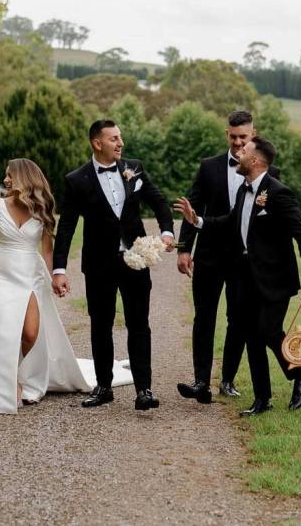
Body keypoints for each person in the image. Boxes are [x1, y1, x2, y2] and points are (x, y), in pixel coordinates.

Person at [0, 159, 133, 413]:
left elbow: (47, 250)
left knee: (30, 333)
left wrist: (55, 276)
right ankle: (7, 382)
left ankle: (16, 369)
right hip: (0, 274)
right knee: (1, 330)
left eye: (9, 176)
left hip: (30, 275)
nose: (5, 180)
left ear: (23, 178)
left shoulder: (43, 208)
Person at [176, 136, 301, 416]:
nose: (238, 153)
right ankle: (262, 399)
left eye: (244, 151)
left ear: (254, 160)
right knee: (253, 337)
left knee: (267, 330)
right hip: (248, 277)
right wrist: (198, 221)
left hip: (276, 279)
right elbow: (230, 222)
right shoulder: (245, 190)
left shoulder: (278, 192)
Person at [52, 119, 175, 411]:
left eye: (120, 137)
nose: (120, 143)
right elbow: (67, 226)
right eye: (114, 138)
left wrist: (167, 231)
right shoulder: (77, 180)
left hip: (137, 260)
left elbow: (158, 201)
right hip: (99, 265)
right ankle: (104, 386)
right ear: (97, 143)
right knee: (101, 325)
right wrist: (59, 269)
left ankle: (144, 389)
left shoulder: (134, 167)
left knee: (139, 324)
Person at [175, 110, 280, 403]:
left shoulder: (270, 173)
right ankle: (200, 382)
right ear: (227, 134)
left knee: (239, 320)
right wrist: (184, 248)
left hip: (244, 261)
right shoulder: (208, 167)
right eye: (233, 137)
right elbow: (193, 208)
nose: (237, 142)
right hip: (209, 255)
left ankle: (228, 379)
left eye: (243, 137)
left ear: (253, 135)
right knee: (204, 317)